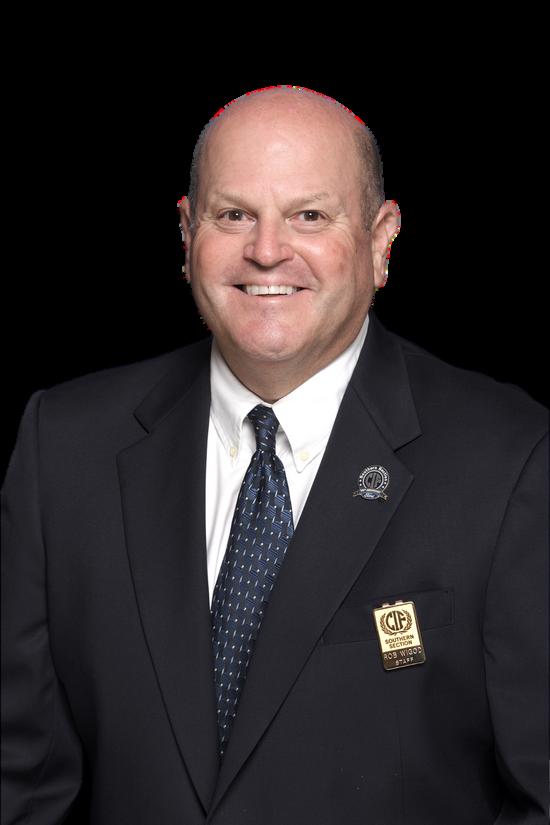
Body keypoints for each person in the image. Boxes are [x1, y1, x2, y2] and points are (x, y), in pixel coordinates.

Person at [1, 84, 548, 825]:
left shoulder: (511, 459)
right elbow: (22, 782)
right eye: (233, 215)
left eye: (309, 216)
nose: (266, 250)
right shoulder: (65, 447)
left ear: (382, 241)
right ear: (186, 234)